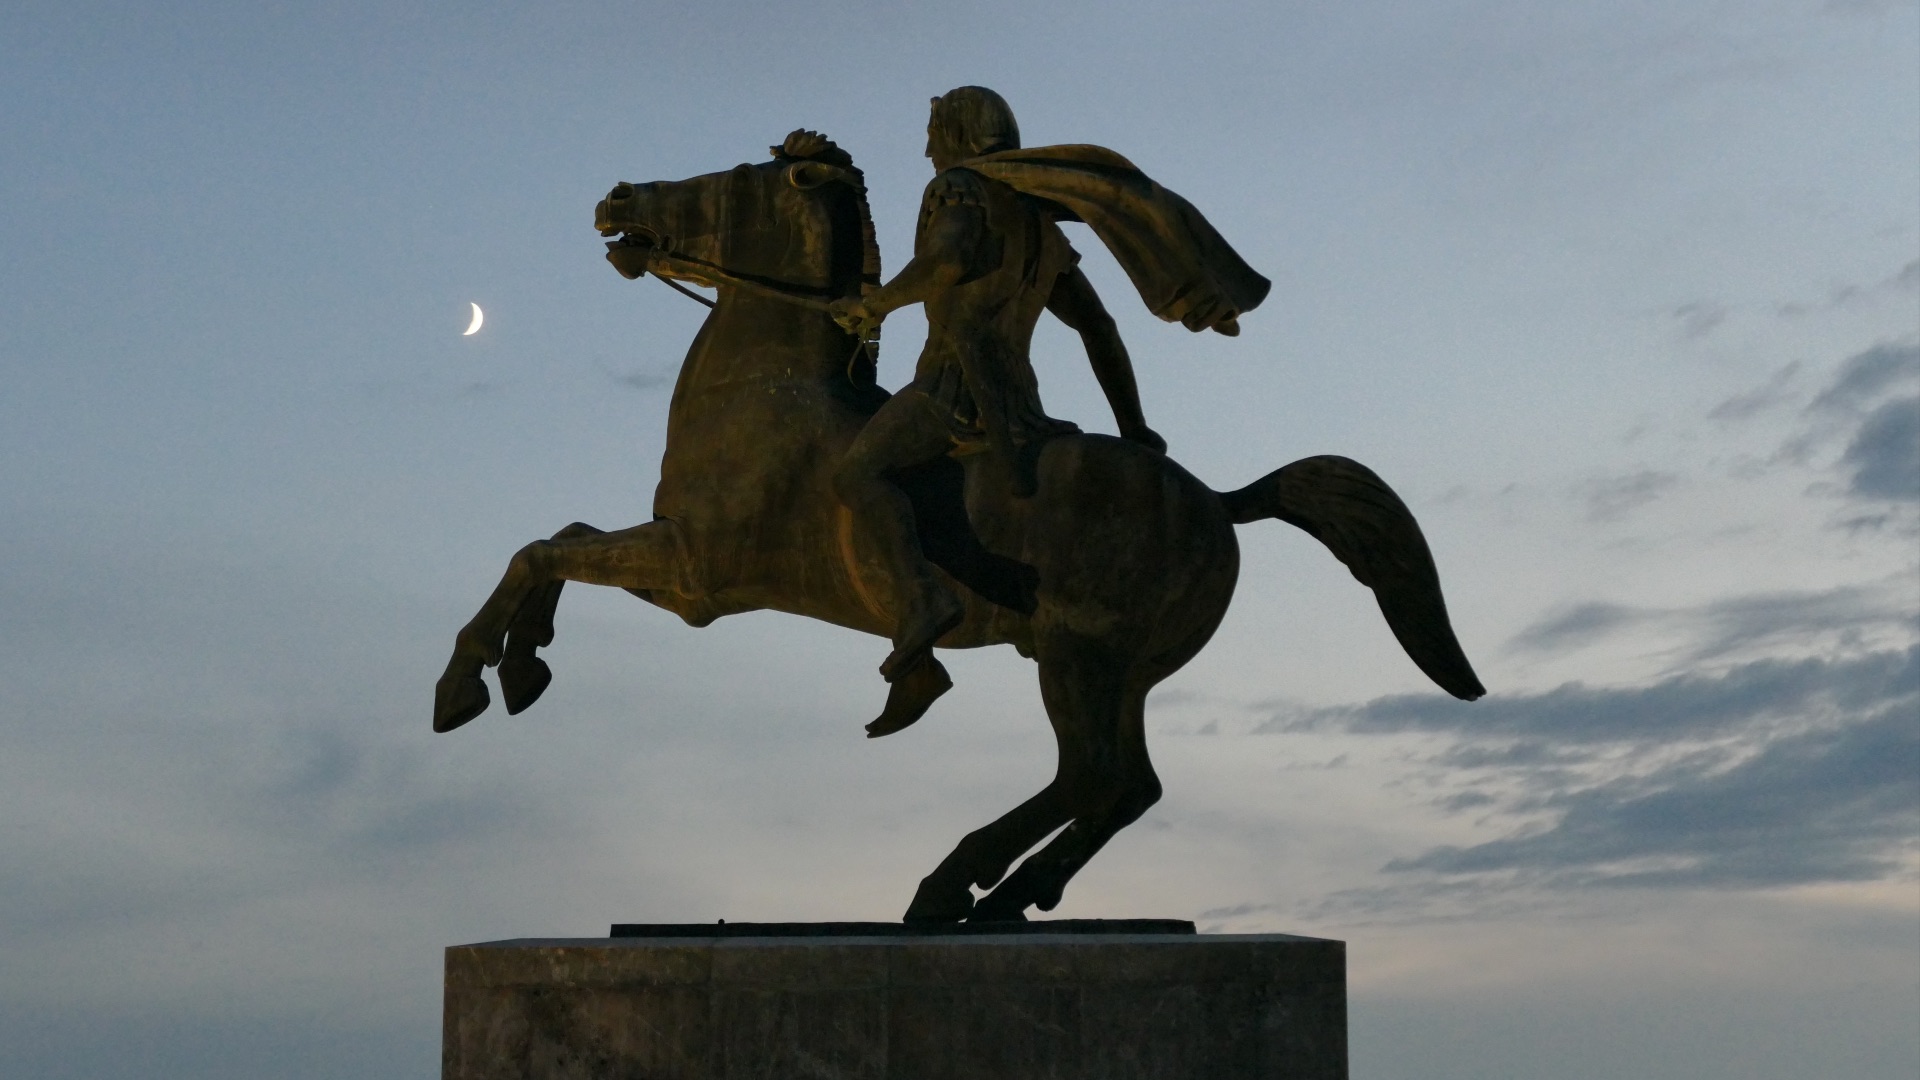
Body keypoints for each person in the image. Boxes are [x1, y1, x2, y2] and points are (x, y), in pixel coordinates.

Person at [830, 86, 1166, 685]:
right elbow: (1099, 327)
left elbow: (949, 260)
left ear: (959, 135)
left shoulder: (957, 187)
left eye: (934, 134)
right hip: (1023, 408)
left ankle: (923, 603)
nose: (928, 149)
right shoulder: (1039, 224)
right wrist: (1133, 426)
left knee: (856, 473)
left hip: (951, 394)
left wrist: (874, 305)